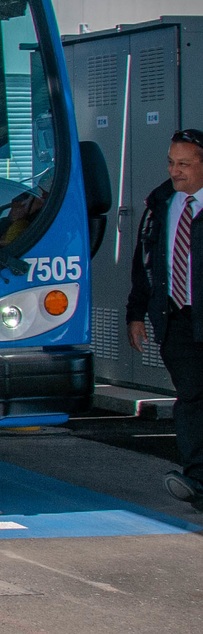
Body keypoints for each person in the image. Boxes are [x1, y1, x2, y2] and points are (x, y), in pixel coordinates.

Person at [127, 128, 203, 503]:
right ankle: (198, 480)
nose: (175, 171)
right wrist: (136, 312)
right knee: (190, 396)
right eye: (172, 163)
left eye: (185, 164)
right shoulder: (161, 205)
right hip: (176, 319)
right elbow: (143, 264)